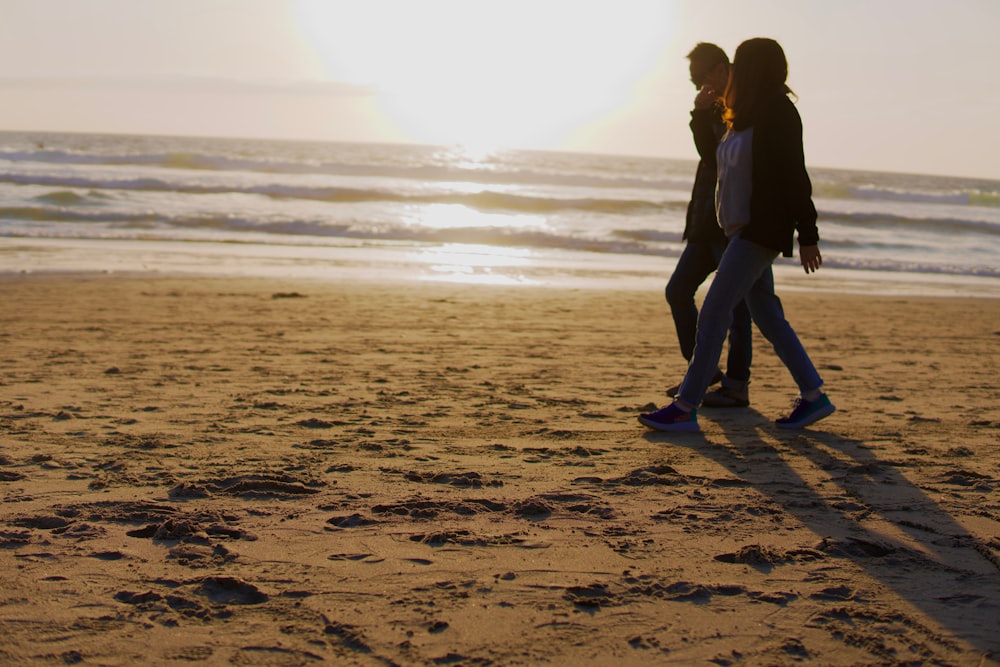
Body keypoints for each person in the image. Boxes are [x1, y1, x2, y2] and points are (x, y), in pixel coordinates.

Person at [640, 38, 835, 432]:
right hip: (738, 230)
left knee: (714, 311)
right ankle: (814, 396)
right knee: (768, 317)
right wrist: (700, 116)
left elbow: (794, 175)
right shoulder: (743, 113)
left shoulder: (779, 112)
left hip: (759, 231)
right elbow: (715, 160)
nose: (732, 69)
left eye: (739, 63)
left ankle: (685, 406)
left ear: (755, 68)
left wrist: (808, 233)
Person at [666, 42, 753, 408]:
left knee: (739, 308)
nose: (700, 87)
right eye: (693, 82)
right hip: (705, 219)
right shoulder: (714, 105)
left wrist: (699, 116)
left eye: (701, 78)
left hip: (732, 223)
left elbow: (715, 157)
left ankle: (735, 385)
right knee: (678, 291)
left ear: (720, 69)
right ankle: (704, 373)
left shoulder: (741, 103)